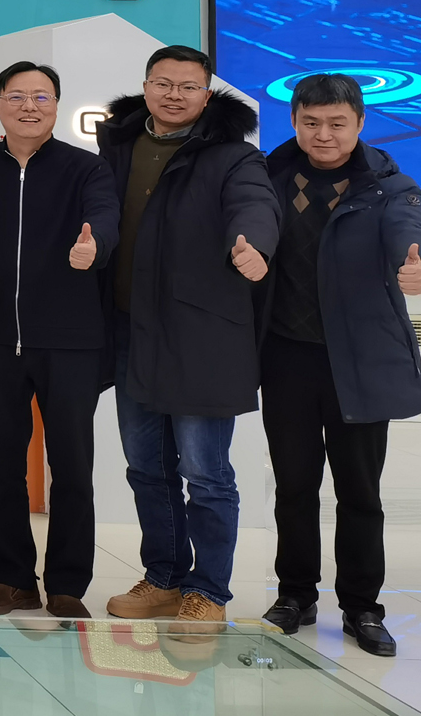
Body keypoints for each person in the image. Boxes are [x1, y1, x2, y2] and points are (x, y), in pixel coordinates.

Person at [95, 45, 279, 634]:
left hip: (201, 335)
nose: (174, 95)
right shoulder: (117, 145)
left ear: (207, 93)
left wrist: (253, 244)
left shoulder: (232, 154)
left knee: (206, 473)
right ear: (146, 85)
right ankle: (164, 577)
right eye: (163, 83)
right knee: (146, 467)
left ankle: (208, 591)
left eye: (188, 86)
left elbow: (255, 205)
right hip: (131, 332)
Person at [258, 74, 421, 657]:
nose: (323, 134)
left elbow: (407, 231)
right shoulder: (269, 178)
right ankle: (295, 595)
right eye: (311, 122)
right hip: (287, 358)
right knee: (294, 487)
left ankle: (362, 606)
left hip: (359, 361)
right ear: (294, 121)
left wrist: (413, 260)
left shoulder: (390, 186)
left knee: (360, 492)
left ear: (360, 123)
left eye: (337, 123)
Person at [0, 61, 119, 619]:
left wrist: (94, 247)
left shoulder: (86, 168)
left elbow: (105, 219)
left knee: (71, 466)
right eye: (17, 96)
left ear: (56, 105)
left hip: (71, 342)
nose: (30, 106)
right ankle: (12, 580)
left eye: (42, 97)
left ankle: (67, 584)